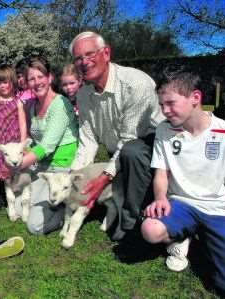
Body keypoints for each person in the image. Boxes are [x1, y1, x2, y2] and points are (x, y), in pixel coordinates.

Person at [141, 67, 225, 295]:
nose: (165, 111)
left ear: (195, 98)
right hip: (180, 203)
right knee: (150, 229)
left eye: (170, 103)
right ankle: (182, 237)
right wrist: (160, 198)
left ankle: (207, 238)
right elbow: (161, 172)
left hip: (219, 208)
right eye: (162, 105)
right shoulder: (164, 130)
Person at [69, 31, 164, 240]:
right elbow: (88, 139)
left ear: (106, 53)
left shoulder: (135, 84)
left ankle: (132, 221)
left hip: (152, 150)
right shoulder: (84, 94)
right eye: (78, 58)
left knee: (131, 151)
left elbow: (129, 139)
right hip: (120, 153)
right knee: (124, 156)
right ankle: (128, 208)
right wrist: (73, 176)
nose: (84, 62)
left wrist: (103, 178)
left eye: (90, 54)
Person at [14, 56, 78, 235]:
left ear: (49, 78)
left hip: (60, 167)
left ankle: (64, 212)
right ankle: (53, 202)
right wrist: (19, 152)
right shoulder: (33, 105)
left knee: (34, 226)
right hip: (43, 167)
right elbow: (34, 141)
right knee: (19, 207)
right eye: (31, 79)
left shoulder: (60, 104)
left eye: (40, 77)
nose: (36, 82)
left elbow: (47, 146)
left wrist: (19, 163)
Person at [0, 65, 27, 207]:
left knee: (10, 167)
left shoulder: (18, 102)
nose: (3, 86)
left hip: (12, 141)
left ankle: (12, 191)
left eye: (6, 82)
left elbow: (23, 123)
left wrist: (23, 143)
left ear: (12, 82)